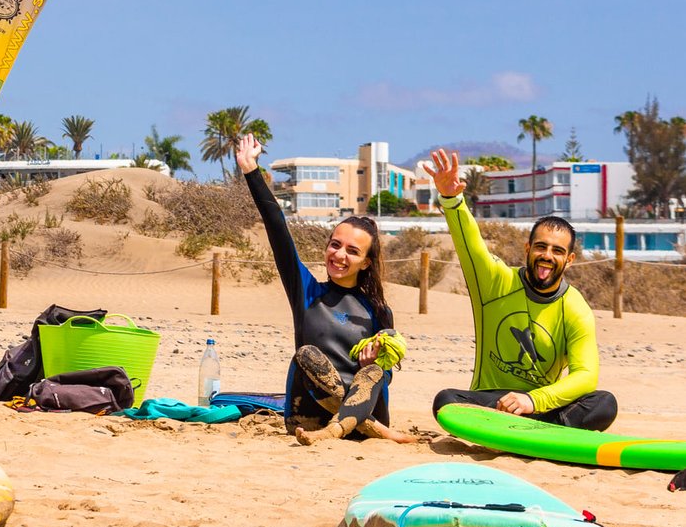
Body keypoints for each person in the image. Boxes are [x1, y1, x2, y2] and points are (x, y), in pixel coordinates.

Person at [236, 134, 413, 444]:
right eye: (335, 245)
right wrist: (251, 170)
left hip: (362, 407)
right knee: (305, 354)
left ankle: (345, 426)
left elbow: (387, 376)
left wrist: (375, 362)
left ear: (366, 263)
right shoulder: (306, 291)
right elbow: (278, 228)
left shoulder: (379, 311)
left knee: (374, 374)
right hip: (309, 416)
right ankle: (365, 427)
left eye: (352, 251)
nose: (340, 255)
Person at [424, 149, 617, 431]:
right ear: (528, 249)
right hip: (491, 401)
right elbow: (471, 244)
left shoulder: (575, 307)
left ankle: (528, 425)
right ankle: (542, 429)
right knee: (447, 400)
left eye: (557, 251)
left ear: (570, 259)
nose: (547, 256)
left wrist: (533, 400)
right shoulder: (495, 282)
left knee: (605, 403)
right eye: (540, 246)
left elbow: (586, 375)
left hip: (539, 405)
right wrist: (452, 200)